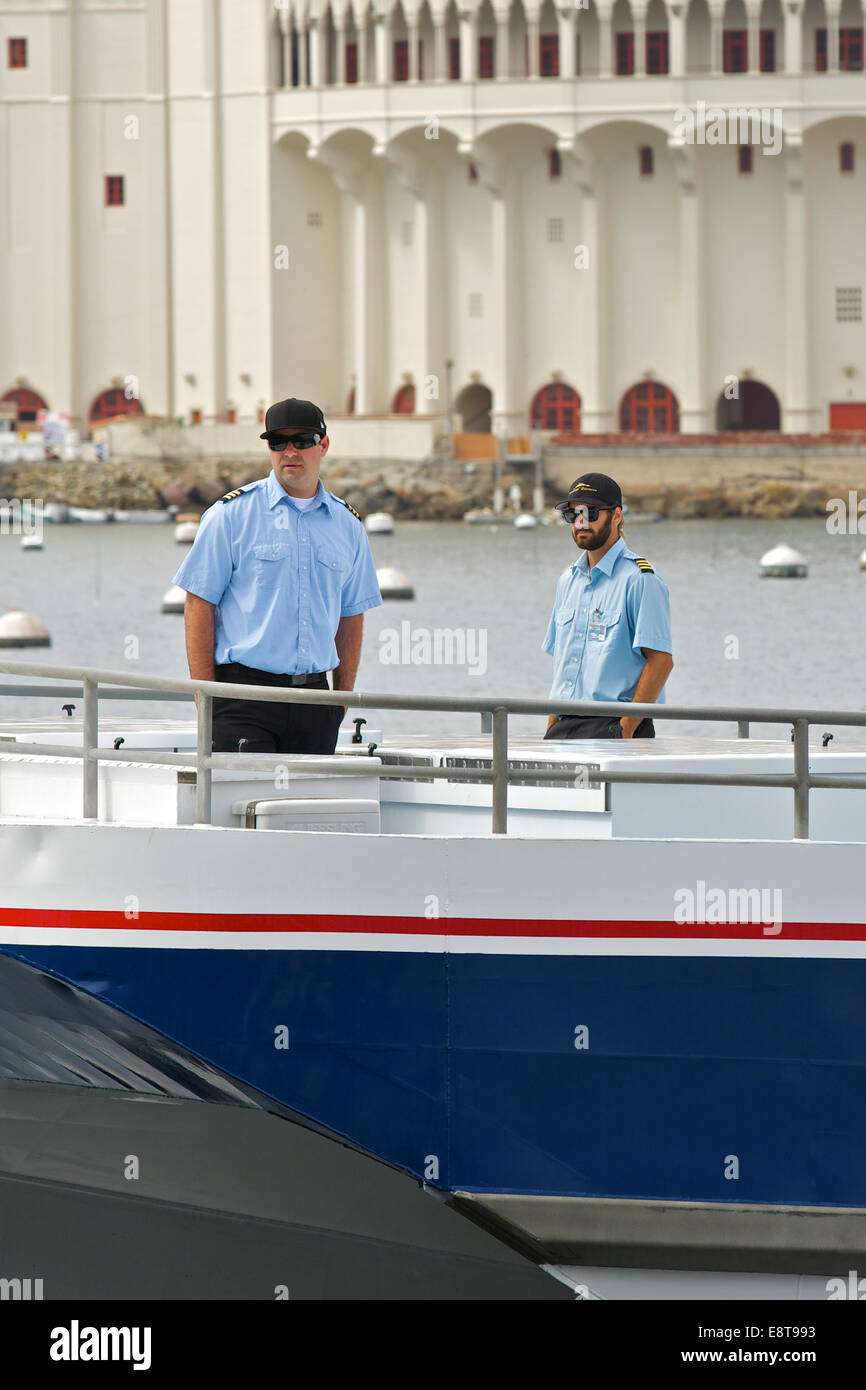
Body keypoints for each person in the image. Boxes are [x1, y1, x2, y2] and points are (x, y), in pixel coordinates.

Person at [172, 397, 381, 754]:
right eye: (277, 442)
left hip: (316, 704)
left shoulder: (348, 525)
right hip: (241, 698)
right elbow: (198, 604)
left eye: (302, 441)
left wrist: (339, 703)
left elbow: (352, 613)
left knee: (307, 809)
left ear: (323, 445)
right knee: (238, 807)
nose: (290, 452)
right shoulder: (230, 516)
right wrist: (207, 698)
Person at [542, 472, 673, 739]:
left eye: (591, 513)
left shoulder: (640, 579)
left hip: (613, 727)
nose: (580, 522)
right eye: (572, 514)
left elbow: (661, 662)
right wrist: (552, 724)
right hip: (563, 726)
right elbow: (563, 662)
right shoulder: (567, 580)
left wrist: (624, 730)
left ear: (616, 516)